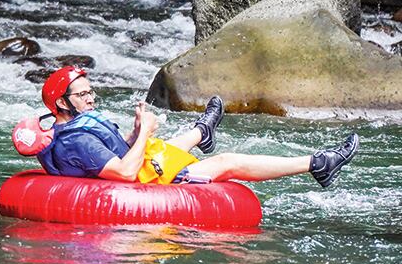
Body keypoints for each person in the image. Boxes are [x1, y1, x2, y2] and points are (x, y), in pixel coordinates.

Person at [27, 66, 359, 187]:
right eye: (82, 95)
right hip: (142, 183)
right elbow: (126, 173)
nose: (90, 98)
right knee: (227, 162)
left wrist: (135, 132)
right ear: (62, 103)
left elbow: (111, 155)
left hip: (141, 170)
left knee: (161, 147)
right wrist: (146, 133)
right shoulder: (78, 141)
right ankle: (318, 164)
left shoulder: (70, 130)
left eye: (90, 92)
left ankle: (203, 131)